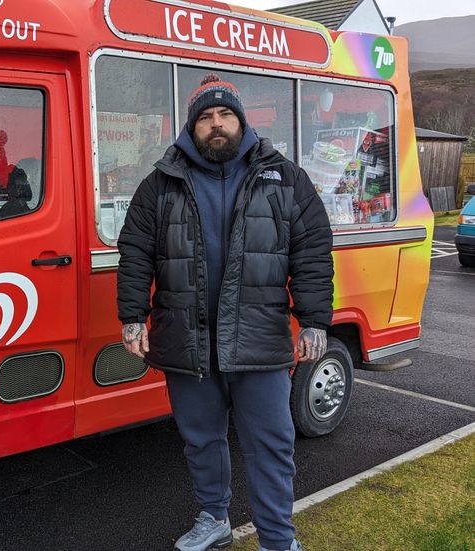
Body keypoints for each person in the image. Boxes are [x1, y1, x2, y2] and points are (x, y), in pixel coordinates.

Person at [116, 74, 334, 551]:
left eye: (225, 114)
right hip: (186, 340)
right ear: (192, 127)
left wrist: (315, 320)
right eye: (206, 117)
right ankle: (214, 518)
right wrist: (132, 316)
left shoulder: (284, 178)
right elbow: (134, 251)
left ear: (241, 120)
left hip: (259, 339)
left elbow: (313, 250)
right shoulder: (161, 183)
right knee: (201, 441)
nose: (216, 125)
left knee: (271, 446)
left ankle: (278, 539)